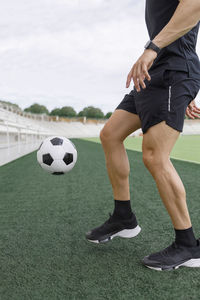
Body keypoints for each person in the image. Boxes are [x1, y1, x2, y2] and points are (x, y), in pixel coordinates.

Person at [86, 0, 200, 271]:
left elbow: (194, 6)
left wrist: (152, 48)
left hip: (173, 70)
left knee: (154, 156)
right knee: (110, 134)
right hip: (153, 73)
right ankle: (123, 218)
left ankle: (188, 246)